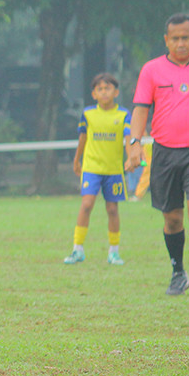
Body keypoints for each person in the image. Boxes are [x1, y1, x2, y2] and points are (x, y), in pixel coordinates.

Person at [126, 13, 189, 298]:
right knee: (172, 218)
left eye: (186, 37)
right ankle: (178, 273)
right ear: (166, 40)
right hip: (164, 151)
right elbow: (140, 109)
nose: (181, 43)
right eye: (175, 38)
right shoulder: (151, 70)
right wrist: (134, 143)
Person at [63, 73, 131, 265]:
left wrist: (131, 157)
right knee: (87, 204)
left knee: (112, 209)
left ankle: (114, 251)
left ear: (116, 92)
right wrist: (77, 160)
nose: (103, 92)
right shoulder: (88, 114)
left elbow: (127, 138)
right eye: (99, 89)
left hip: (114, 170)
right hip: (91, 167)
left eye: (107, 88)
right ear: (94, 94)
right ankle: (77, 249)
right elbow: (82, 139)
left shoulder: (123, 114)